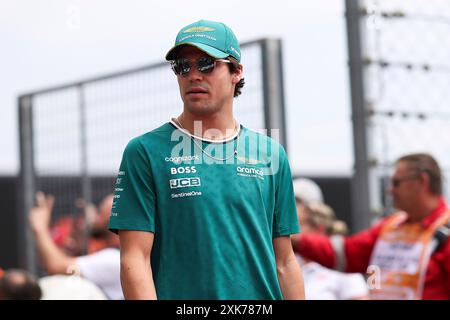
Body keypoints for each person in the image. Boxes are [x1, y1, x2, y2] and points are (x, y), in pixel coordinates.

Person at [109, 19, 304, 300]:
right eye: (182, 66)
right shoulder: (144, 151)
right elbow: (134, 260)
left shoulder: (270, 153)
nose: (193, 75)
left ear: (236, 71)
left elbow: (284, 261)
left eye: (206, 63)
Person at [292, 153, 450, 300]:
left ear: (422, 181)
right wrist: (296, 240)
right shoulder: (391, 226)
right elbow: (347, 252)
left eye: (396, 183)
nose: (390, 190)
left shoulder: (445, 231)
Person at [29, 192, 123, 300]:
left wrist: (39, 228)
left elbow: (57, 266)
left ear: (111, 220)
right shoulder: (114, 254)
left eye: (99, 212)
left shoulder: (113, 258)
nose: (94, 217)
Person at [291, 179, 368, 299]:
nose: (291, 233)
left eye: (298, 225)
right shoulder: (283, 263)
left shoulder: (341, 264)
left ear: (319, 228)